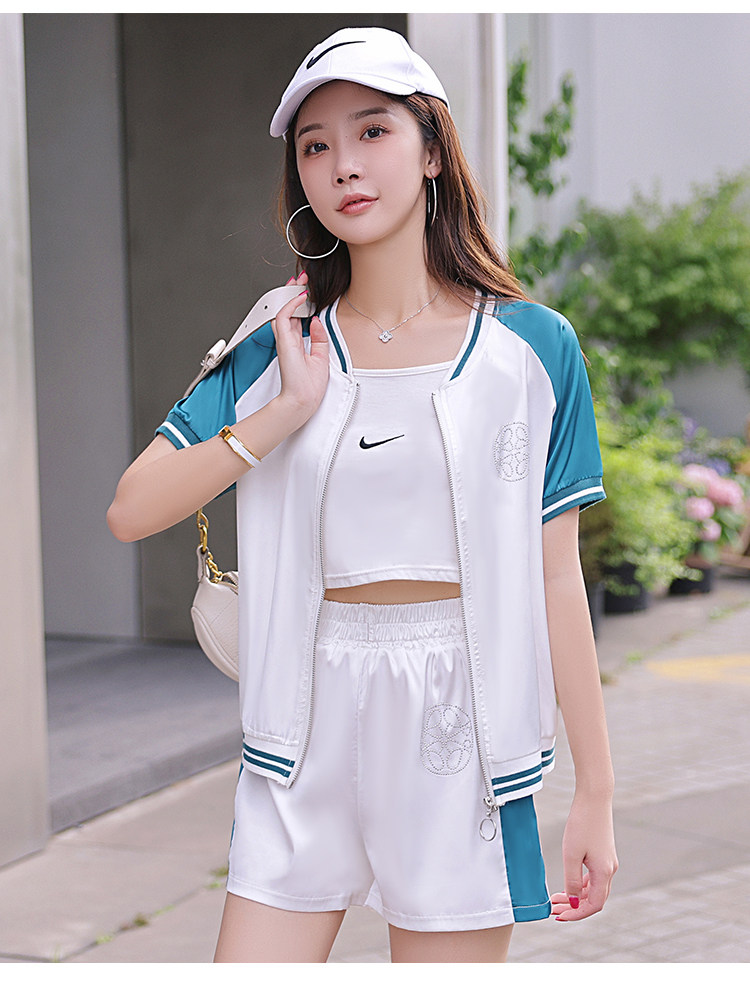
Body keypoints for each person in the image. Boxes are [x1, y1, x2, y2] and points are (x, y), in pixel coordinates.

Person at [107, 26, 618, 964]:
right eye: (316, 145)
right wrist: (284, 411)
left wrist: (596, 789)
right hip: (304, 717)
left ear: (432, 151)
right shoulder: (278, 342)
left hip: (463, 724)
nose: (343, 163)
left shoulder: (534, 350)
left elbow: (557, 579)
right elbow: (132, 508)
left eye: (373, 131)